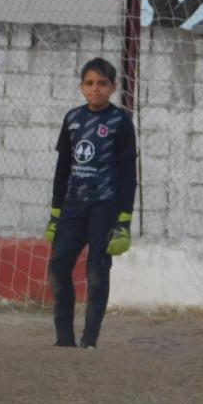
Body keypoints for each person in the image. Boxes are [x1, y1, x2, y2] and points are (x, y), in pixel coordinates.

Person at [45, 57, 137, 350]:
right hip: (73, 206)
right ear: (81, 87)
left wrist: (124, 220)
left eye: (101, 84)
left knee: (96, 271)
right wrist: (55, 213)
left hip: (105, 207)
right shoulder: (73, 119)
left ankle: (90, 340)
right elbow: (63, 168)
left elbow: (127, 172)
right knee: (59, 267)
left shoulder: (120, 121)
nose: (95, 89)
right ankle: (64, 339)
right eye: (89, 83)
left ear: (112, 87)